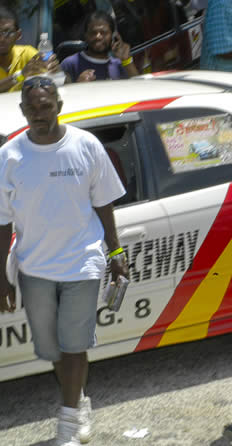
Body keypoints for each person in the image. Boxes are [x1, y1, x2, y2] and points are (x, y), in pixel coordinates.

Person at [0, 77, 128, 446]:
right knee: (53, 347)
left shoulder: (85, 146)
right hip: (34, 266)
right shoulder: (10, 156)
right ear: (23, 111)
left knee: (73, 345)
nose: (40, 114)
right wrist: (2, 277)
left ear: (58, 104)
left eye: (46, 105)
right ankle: (79, 398)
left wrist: (116, 252)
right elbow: (2, 220)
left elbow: (104, 202)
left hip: (82, 262)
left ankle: (68, 425)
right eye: (32, 108)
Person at [60, 11, 139, 83]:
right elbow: (58, 95)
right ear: (85, 35)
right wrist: (78, 86)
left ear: (113, 36)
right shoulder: (69, 64)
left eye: (103, 32)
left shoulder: (119, 64)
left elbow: (139, 89)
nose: (98, 37)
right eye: (93, 32)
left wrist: (127, 61)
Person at [0, 6, 62, 93]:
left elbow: (58, 82)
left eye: (8, 32)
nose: (2, 39)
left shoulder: (27, 53)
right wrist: (21, 75)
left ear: (18, 35)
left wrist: (57, 72)